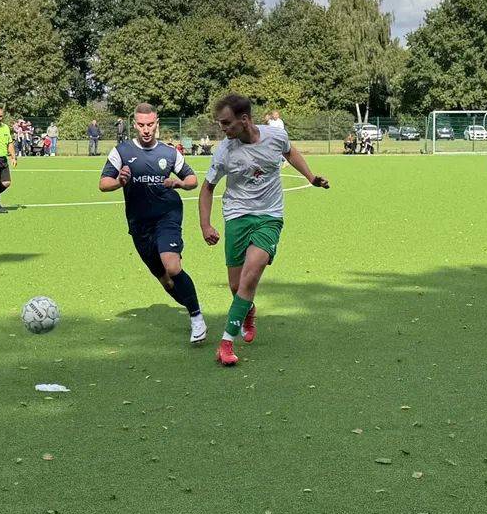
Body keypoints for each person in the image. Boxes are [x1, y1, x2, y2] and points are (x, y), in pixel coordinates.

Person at [199, 94, 329, 366]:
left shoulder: (274, 136)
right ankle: (247, 309)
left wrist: (310, 177)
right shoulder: (224, 151)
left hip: (270, 217)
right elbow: (208, 187)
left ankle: (225, 344)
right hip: (236, 217)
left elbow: (290, 151)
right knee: (237, 286)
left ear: (244, 120)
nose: (222, 129)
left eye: (226, 123)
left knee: (249, 279)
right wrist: (205, 224)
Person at [100, 103, 207, 344]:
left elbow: (192, 179)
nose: (146, 129)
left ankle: (196, 317)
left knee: (172, 266)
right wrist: (119, 182)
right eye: (141, 125)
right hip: (139, 225)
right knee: (165, 280)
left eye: (150, 124)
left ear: (157, 123)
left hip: (167, 216)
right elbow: (103, 183)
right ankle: (193, 306)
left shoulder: (169, 153)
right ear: (134, 125)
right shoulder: (122, 151)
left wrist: (177, 184)